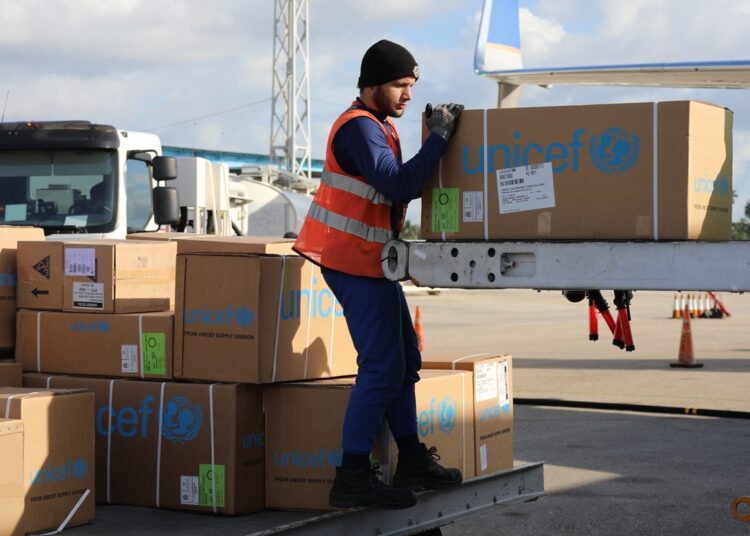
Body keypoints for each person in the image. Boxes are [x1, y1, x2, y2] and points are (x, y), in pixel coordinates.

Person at [293, 39, 464, 510]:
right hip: (352, 261)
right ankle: (351, 477)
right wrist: (439, 140)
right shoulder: (361, 130)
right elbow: (399, 183)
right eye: (399, 85)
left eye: (411, 86)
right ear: (372, 85)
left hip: (370, 261)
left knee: (405, 359)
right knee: (382, 367)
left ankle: (409, 457)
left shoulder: (380, 126)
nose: (408, 95)